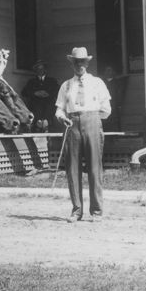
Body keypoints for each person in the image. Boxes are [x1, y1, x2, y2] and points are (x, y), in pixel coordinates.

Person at [54, 47, 112, 223]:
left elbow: (106, 109)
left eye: (82, 62)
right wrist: (63, 118)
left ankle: (96, 211)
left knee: (95, 167)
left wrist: (92, 119)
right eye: (76, 62)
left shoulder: (97, 83)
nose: (80, 65)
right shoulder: (66, 85)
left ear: (87, 63)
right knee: (73, 169)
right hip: (72, 125)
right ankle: (76, 210)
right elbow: (59, 109)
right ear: (72, 64)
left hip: (93, 122)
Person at [21, 60, 60, 132]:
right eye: (38, 69)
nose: (40, 70)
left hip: (49, 107)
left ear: (45, 69)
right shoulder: (31, 82)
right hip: (35, 108)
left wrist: (48, 93)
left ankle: (47, 125)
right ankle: (38, 126)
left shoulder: (52, 81)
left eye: (42, 68)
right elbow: (24, 93)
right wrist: (35, 93)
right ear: (36, 70)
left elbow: (58, 92)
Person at [101, 65, 127, 131]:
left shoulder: (117, 83)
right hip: (103, 105)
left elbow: (120, 94)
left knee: (115, 123)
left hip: (114, 105)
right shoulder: (101, 83)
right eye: (107, 70)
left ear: (113, 72)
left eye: (110, 70)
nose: (108, 72)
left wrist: (119, 104)